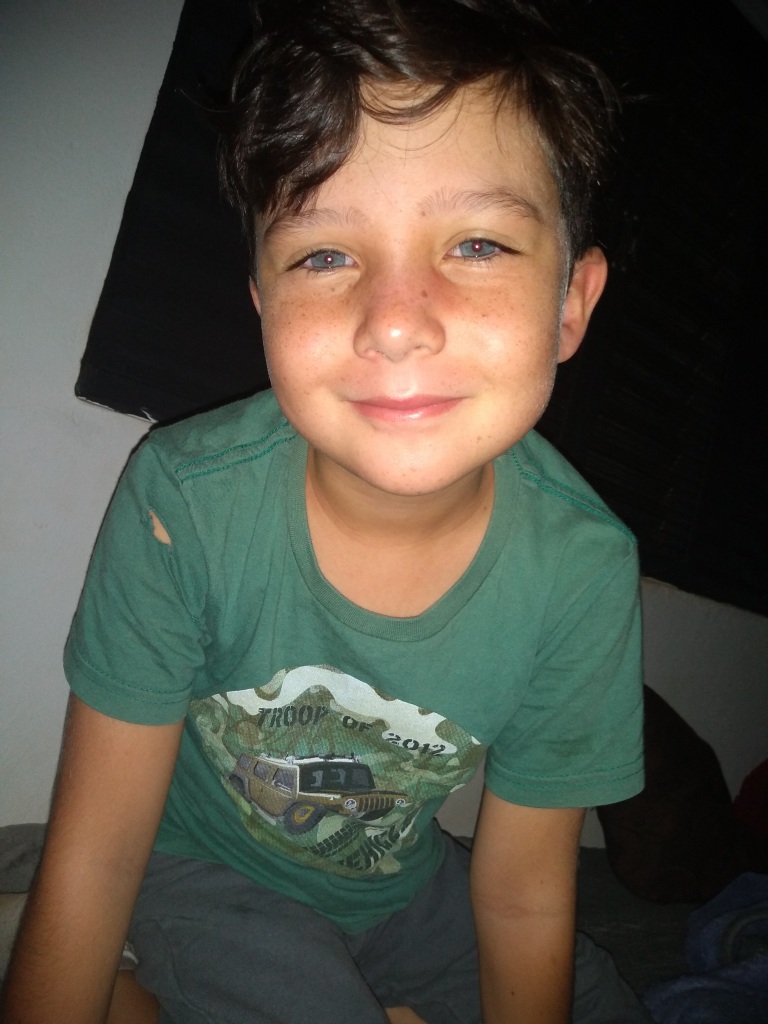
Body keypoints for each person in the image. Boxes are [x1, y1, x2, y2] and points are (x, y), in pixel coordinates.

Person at [1, 1, 650, 1022]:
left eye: (478, 244)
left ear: (571, 302)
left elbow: (526, 895)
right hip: (200, 865)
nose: (394, 323)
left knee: (601, 1000)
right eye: (324, 255)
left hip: (399, 886)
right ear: (263, 301)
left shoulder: (585, 569)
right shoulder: (184, 502)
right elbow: (97, 852)